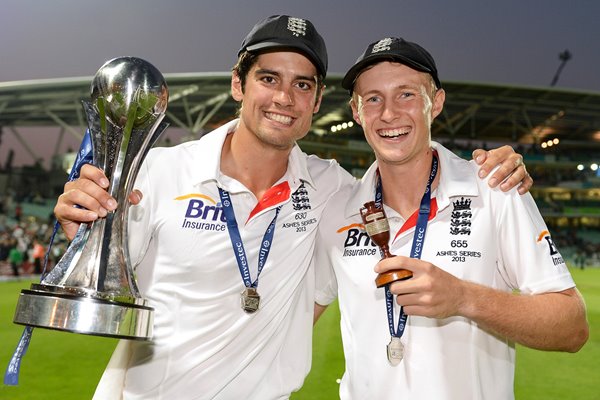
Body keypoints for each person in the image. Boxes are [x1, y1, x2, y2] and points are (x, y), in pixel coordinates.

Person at [53, 17, 530, 400]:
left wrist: (493, 165)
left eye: (303, 85)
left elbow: (322, 291)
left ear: (319, 101)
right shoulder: (158, 172)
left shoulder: (334, 191)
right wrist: (84, 224)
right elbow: (97, 275)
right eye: (268, 79)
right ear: (238, 84)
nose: (285, 97)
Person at [313, 37, 589, 400]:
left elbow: (572, 327)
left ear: (436, 103)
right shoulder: (337, 209)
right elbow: (289, 322)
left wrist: (463, 298)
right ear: (356, 111)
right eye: (373, 99)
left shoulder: (495, 188)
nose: (389, 113)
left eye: (407, 94)